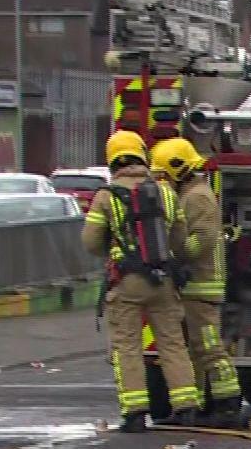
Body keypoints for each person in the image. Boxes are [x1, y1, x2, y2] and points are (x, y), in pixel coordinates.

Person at [81, 130, 202, 432]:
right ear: (142, 157)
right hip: (163, 280)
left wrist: (116, 243)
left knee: (128, 347)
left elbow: (92, 243)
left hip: (126, 282)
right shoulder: (166, 192)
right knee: (173, 343)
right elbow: (179, 238)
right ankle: (186, 406)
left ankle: (135, 413)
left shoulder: (106, 197)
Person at [152, 136, 243, 427]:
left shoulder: (198, 196)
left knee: (208, 346)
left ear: (178, 169)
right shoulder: (191, 193)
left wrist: (174, 254)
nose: (162, 181)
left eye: (164, 174)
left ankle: (228, 404)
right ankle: (199, 404)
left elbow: (201, 240)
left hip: (202, 286)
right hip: (192, 287)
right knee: (193, 348)